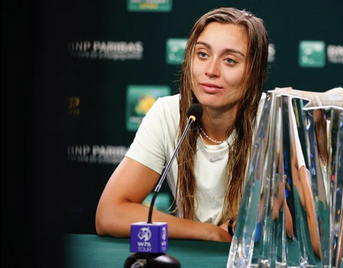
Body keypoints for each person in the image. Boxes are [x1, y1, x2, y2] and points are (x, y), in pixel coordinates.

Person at [95, 7, 269, 242]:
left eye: (229, 60)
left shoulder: (273, 118)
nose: (211, 71)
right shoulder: (167, 113)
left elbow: (304, 228)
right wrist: (209, 232)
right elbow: (109, 214)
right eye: (203, 54)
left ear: (254, 73)